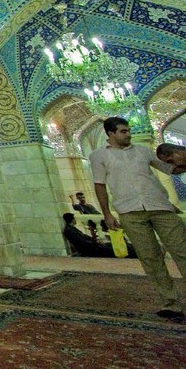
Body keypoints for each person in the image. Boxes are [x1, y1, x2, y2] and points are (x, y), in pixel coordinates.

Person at [90, 116, 186, 318]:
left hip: (160, 206)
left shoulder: (143, 151)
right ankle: (171, 303)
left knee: (182, 251)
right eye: (123, 131)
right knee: (151, 258)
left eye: (128, 131)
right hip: (129, 212)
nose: (128, 134)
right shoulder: (98, 156)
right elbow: (99, 185)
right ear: (111, 134)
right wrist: (107, 214)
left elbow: (170, 169)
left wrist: (180, 159)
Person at [62, 213, 136, 258]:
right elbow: (81, 242)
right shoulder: (69, 230)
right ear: (72, 219)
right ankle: (133, 253)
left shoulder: (71, 228)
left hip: (92, 245)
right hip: (89, 249)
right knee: (112, 249)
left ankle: (133, 250)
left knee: (113, 245)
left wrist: (95, 240)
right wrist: (95, 242)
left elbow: (84, 237)